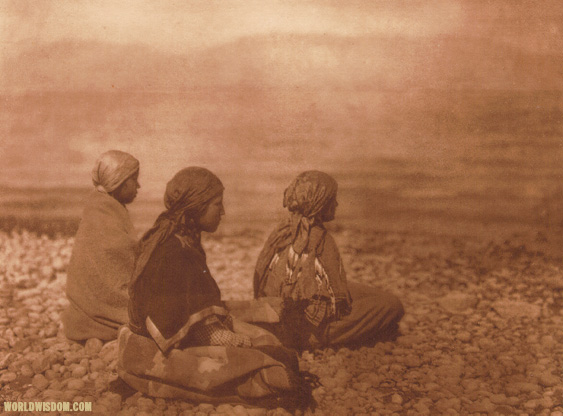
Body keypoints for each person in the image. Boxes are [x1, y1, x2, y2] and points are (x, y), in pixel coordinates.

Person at [119, 167, 313, 409]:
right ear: (196, 207)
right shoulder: (174, 253)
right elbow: (191, 330)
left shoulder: (180, 237)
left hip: (177, 334)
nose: (223, 212)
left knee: (268, 331)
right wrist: (245, 342)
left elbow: (195, 312)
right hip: (158, 348)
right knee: (272, 362)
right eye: (217, 205)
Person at [254, 170, 404, 350]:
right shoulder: (318, 238)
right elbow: (311, 296)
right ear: (320, 204)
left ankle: (375, 329)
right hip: (304, 329)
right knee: (392, 305)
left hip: (277, 308)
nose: (337, 204)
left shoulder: (283, 230)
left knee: (363, 292)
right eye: (333, 199)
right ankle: (325, 339)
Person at [62, 150, 140, 342]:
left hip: (82, 311)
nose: (138, 185)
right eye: (134, 179)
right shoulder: (103, 213)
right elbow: (122, 256)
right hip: (97, 310)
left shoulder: (100, 207)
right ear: (119, 181)